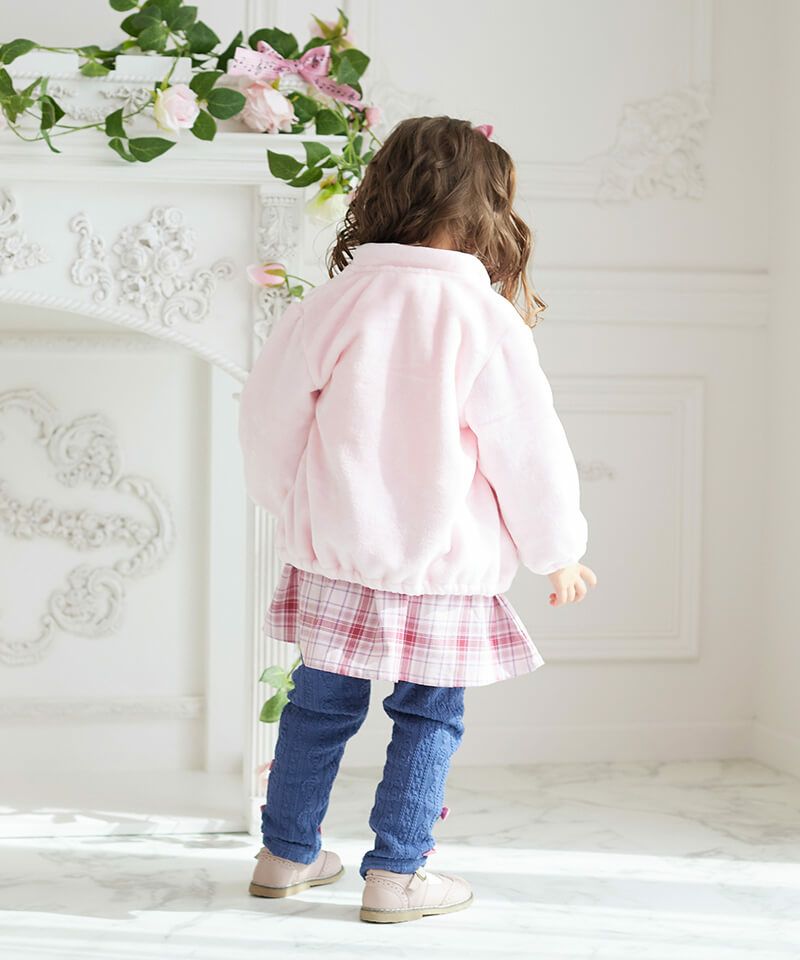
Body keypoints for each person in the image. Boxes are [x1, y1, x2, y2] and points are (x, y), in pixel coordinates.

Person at [237, 115, 597, 924]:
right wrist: (558, 550)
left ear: (383, 194)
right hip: (442, 567)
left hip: (336, 556)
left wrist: (291, 503)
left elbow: (267, 419)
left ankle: (284, 855)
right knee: (429, 714)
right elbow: (527, 448)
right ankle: (397, 874)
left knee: (316, 707)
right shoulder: (484, 319)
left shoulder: (334, 304)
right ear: (487, 209)